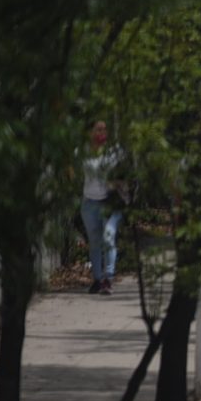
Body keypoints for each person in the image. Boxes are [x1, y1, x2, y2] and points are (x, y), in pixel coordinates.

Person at [80, 121, 123, 295]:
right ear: (90, 132)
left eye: (104, 129)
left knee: (108, 237)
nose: (101, 133)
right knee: (95, 242)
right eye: (97, 129)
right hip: (89, 202)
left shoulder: (115, 152)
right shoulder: (82, 152)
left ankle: (108, 278)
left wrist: (117, 182)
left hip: (109, 202)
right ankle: (97, 279)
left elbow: (124, 173)